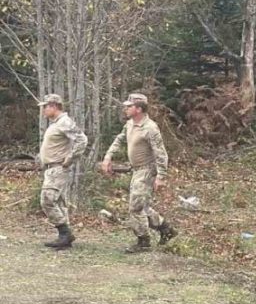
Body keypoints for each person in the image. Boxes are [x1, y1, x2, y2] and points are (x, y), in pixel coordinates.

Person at [100, 93, 177, 253]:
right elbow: (119, 139)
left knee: (135, 207)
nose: (125, 109)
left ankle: (144, 241)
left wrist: (161, 176)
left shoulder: (150, 128)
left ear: (139, 109)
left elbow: (161, 153)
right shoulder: (129, 124)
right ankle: (166, 229)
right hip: (136, 170)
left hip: (147, 170)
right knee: (142, 206)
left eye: (129, 106)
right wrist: (108, 157)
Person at [36, 94, 88, 250]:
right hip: (51, 168)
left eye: (45, 107)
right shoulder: (55, 124)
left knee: (47, 200)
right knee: (59, 202)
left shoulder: (65, 122)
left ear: (54, 106)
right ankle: (64, 239)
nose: (43, 110)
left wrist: (70, 158)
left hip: (58, 168)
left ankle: (65, 233)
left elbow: (82, 139)